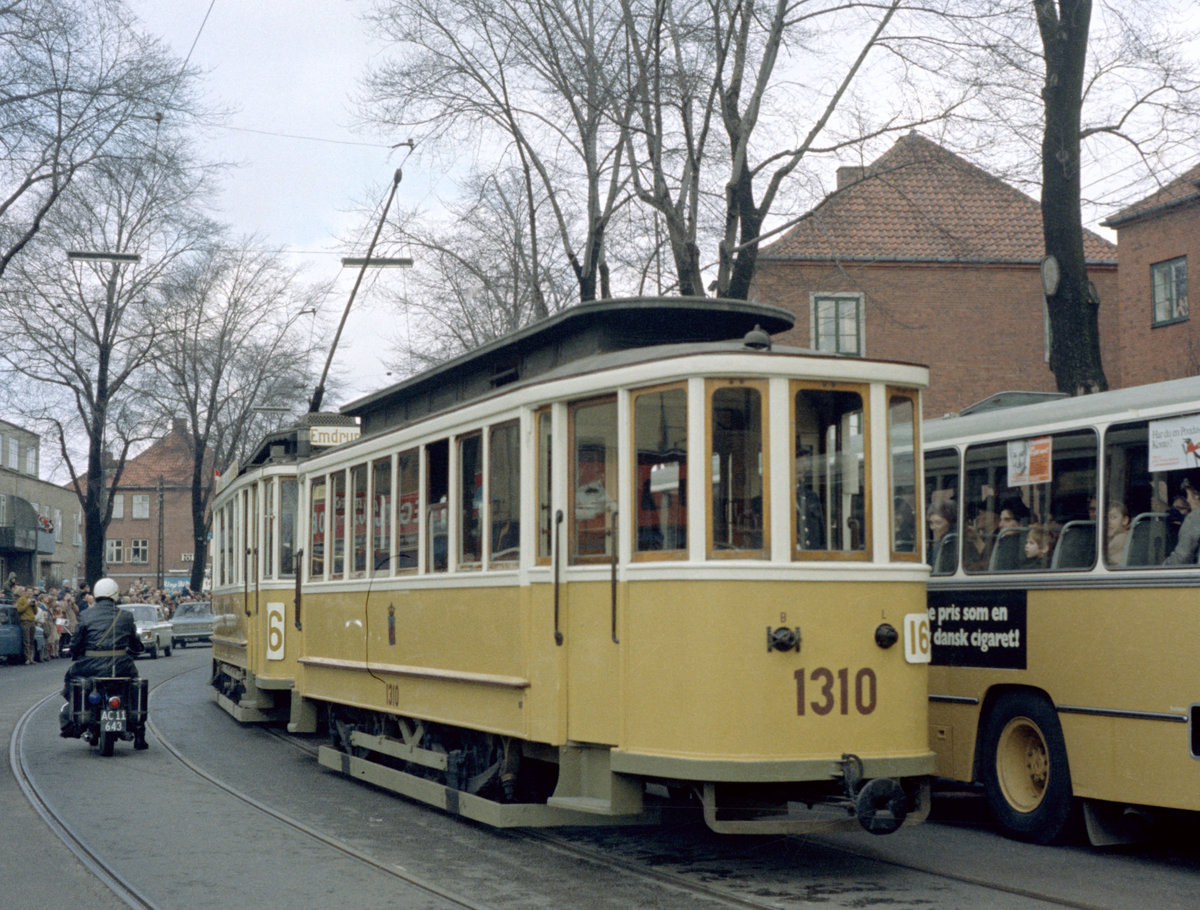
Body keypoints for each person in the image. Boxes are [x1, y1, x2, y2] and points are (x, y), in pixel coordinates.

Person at [60, 577, 147, 749]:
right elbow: (135, 643)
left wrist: (74, 652)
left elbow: (77, 642)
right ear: (115, 595)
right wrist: (137, 648)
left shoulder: (85, 615)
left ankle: (72, 719)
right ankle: (139, 733)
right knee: (134, 687)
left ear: (96, 594)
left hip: (90, 665)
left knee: (71, 678)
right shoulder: (126, 616)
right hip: (122, 665)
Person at [1164, 477, 1200, 566]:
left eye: (1188, 495)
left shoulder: (1195, 517)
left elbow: (1182, 557)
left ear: (1197, 496)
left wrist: (1160, 570)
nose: (1188, 500)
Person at [795, 450, 825, 549]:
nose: (806, 468)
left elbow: (821, 539)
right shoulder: (772, 498)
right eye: (801, 463)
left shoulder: (812, 497)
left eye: (805, 463)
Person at [16, 586, 37, 665]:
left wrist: (34, 605)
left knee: (31, 640)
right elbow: (19, 610)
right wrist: (27, 604)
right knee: (26, 640)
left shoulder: (32, 600)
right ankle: (27, 658)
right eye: (29, 592)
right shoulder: (21, 600)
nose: (30, 593)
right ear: (25, 592)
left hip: (32, 621)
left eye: (32, 592)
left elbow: (35, 612)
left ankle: (31, 658)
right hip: (25, 621)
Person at [1105, 502, 1131, 566]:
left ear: (1124, 520)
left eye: (1113, 517)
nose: (1108, 522)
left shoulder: (1122, 538)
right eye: (1105, 518)